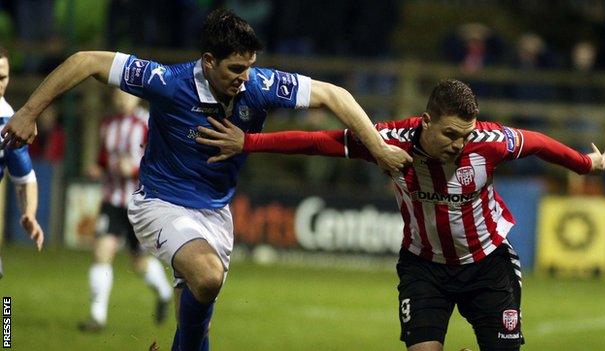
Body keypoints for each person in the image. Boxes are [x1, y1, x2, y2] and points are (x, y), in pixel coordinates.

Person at [1, 9, 412, 351]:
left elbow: (334, 95)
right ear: (208, 62)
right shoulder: (168, 81)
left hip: (215, 214)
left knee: (197, 326)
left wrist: (376, 147)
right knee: (208, 276)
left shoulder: (261, 85)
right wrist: (28, 112)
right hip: (159, 204)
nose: (244, 78)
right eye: (235, 68)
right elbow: (85, 60)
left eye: (249, 67)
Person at [196, 79, 605, 351]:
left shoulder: (489, 143)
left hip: (488, 265)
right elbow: (319, 141)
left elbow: (536, 143)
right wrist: (249, 141)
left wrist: (583, 165)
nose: (457, 144)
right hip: (423, 267)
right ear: (427, 121)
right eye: (449, 133)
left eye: (464, 135)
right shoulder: (387, 141)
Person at [78, 89, 173, 332]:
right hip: (112, 201)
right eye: (117, 95)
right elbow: (102, 160)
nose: (121, 99)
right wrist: (97, 169)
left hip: (138, 203)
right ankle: (97, 317)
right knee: (102, 252)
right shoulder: (107, 125)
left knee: (139, 262)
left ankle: (163, 292)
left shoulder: (147, 124)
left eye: (126, 95)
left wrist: (132, 170)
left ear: (136, 97)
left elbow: (161, 163)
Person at [0, 45, 44, 278]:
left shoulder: (8, 124)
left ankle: (6, 315)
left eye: (2, 77)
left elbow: (25, 178)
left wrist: (30, 213)